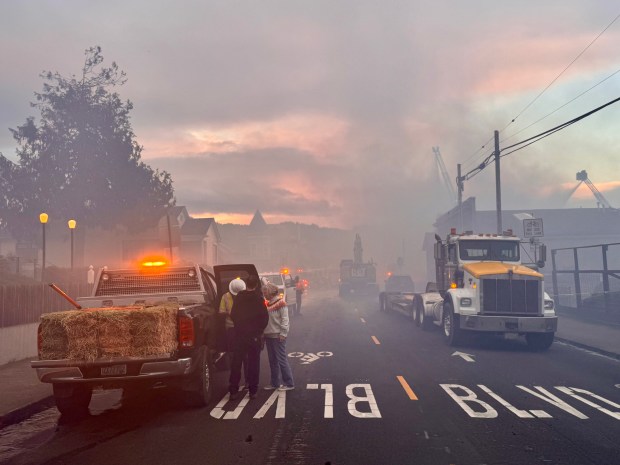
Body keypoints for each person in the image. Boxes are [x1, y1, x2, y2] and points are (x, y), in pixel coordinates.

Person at [229, 275, 268, 400]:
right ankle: (253, 391)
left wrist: (239, 327)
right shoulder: (258, 298)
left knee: (236, 362)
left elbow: (233, 314)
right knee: (254, 363)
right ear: (256, 285)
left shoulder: (239, 297)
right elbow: (264, 317)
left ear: (246, 284)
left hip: (240, 335)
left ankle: (233, 390)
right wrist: (259, 330)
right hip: (254, 337)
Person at [262, 283, 295, 391]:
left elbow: (285, 319)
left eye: (265, 292)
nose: (264, 294)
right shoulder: (267, 303)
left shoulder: (281, 303)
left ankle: (289, 383)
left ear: (271, 292)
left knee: (281, 359)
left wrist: (283, 333)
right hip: (268, 335)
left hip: (277, 336)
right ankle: (275, 383)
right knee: (272, 361)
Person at [219, 278, 248, 388]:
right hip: (238, 329)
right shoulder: (228, 296)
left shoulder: (226, 296)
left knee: (237, 356)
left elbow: (221, 312)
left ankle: (238, 384)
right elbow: (221, 312)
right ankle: (247, 382)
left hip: (233, 329)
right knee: (242, 356)